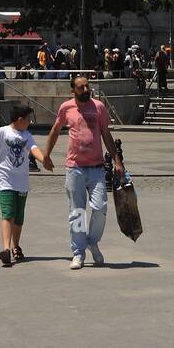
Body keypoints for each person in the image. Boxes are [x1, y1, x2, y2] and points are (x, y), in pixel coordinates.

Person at [42, 72, 124, 269]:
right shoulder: (66, 108)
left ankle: (91, 240)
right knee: (77, 212)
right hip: (75, 168)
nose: (86, 90)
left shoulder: (99, 107)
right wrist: (46, 154)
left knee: (100, 208)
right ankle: (78, 252)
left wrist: (117, 161)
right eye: (81, 87)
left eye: (87, 86)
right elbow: (55, 130)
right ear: (73, 90)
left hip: (96, 168)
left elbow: (106, 133)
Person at [0, 102, 50, 266]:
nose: (29, 122)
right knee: (8, 213)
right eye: (28, 119)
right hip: (5, 178)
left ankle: (15, 245)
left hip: (22, 181)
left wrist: (44, 159)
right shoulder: (2, 132)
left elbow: (33, 149)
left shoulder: (27, 135)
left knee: (19, 216)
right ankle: (6, 249)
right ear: (19, 119)